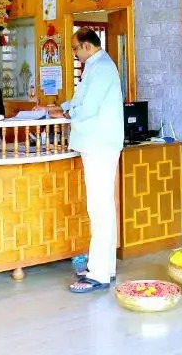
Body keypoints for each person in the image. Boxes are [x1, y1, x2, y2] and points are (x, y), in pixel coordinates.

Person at [44, 28, 124, 293]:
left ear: (87, 46)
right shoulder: (96, 66)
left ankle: (98, 273)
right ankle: (105, 267)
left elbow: (88, 108)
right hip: (98, 144)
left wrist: (66, 115)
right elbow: (82, 100)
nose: (75, 54)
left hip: (99, 145)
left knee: (99, 208)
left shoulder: (101, 68)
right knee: (103, 208)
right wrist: (63, 107)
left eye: (76, 49)